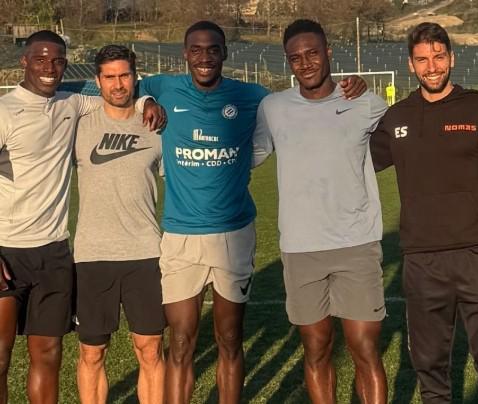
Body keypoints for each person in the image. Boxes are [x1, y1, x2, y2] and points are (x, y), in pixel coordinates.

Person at [138, 20, 366, 403]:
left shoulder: (253, 96)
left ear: (225, 53)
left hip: (234, 234)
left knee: (229, 338)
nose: (205, 57)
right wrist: (144, 101)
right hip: (180, 234)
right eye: (197, 50)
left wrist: (353, 87)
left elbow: (298, 104)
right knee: (179, 341)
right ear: (185, 54)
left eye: (213, 49)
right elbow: (128, 85)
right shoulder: (164, 87)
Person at [0, 31, 164, 404]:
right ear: (24, 61)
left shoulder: (72, 103)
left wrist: (148, 100)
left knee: (48, 355)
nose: (49, 67)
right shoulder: (5, 111)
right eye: (40, 59)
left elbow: (121, 97)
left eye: (58, 60)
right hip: (7, 249)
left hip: (55, 251)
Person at [369, 22, 478, 403]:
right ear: (410, 65)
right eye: (422, 59)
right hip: (422, 261)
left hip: (477, 255)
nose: (431, 67)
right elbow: (356, 160)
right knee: (431, 368)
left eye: (438, 57)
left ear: (451, 57)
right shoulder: (397, 118)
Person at [253, 19, 388, 403]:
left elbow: (407, 142)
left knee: (364, 348)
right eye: (295, 58)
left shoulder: (365, 102)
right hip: (301, 248)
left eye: (312, 53)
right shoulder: (273, 108)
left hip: (357, 243)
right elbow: (250, 155)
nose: (305, 63)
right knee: (316, 348)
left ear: (328, 52)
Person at [74, 45, 165, 404]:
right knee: (92, 353)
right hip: (93, 255)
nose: (117, 84)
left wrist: (148, 101)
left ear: (135, 76)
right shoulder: (80, 124)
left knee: (150, 349)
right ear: (97, 80)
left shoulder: (156, 125)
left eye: (124, 75)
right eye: (109, 77)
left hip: (145, 252)